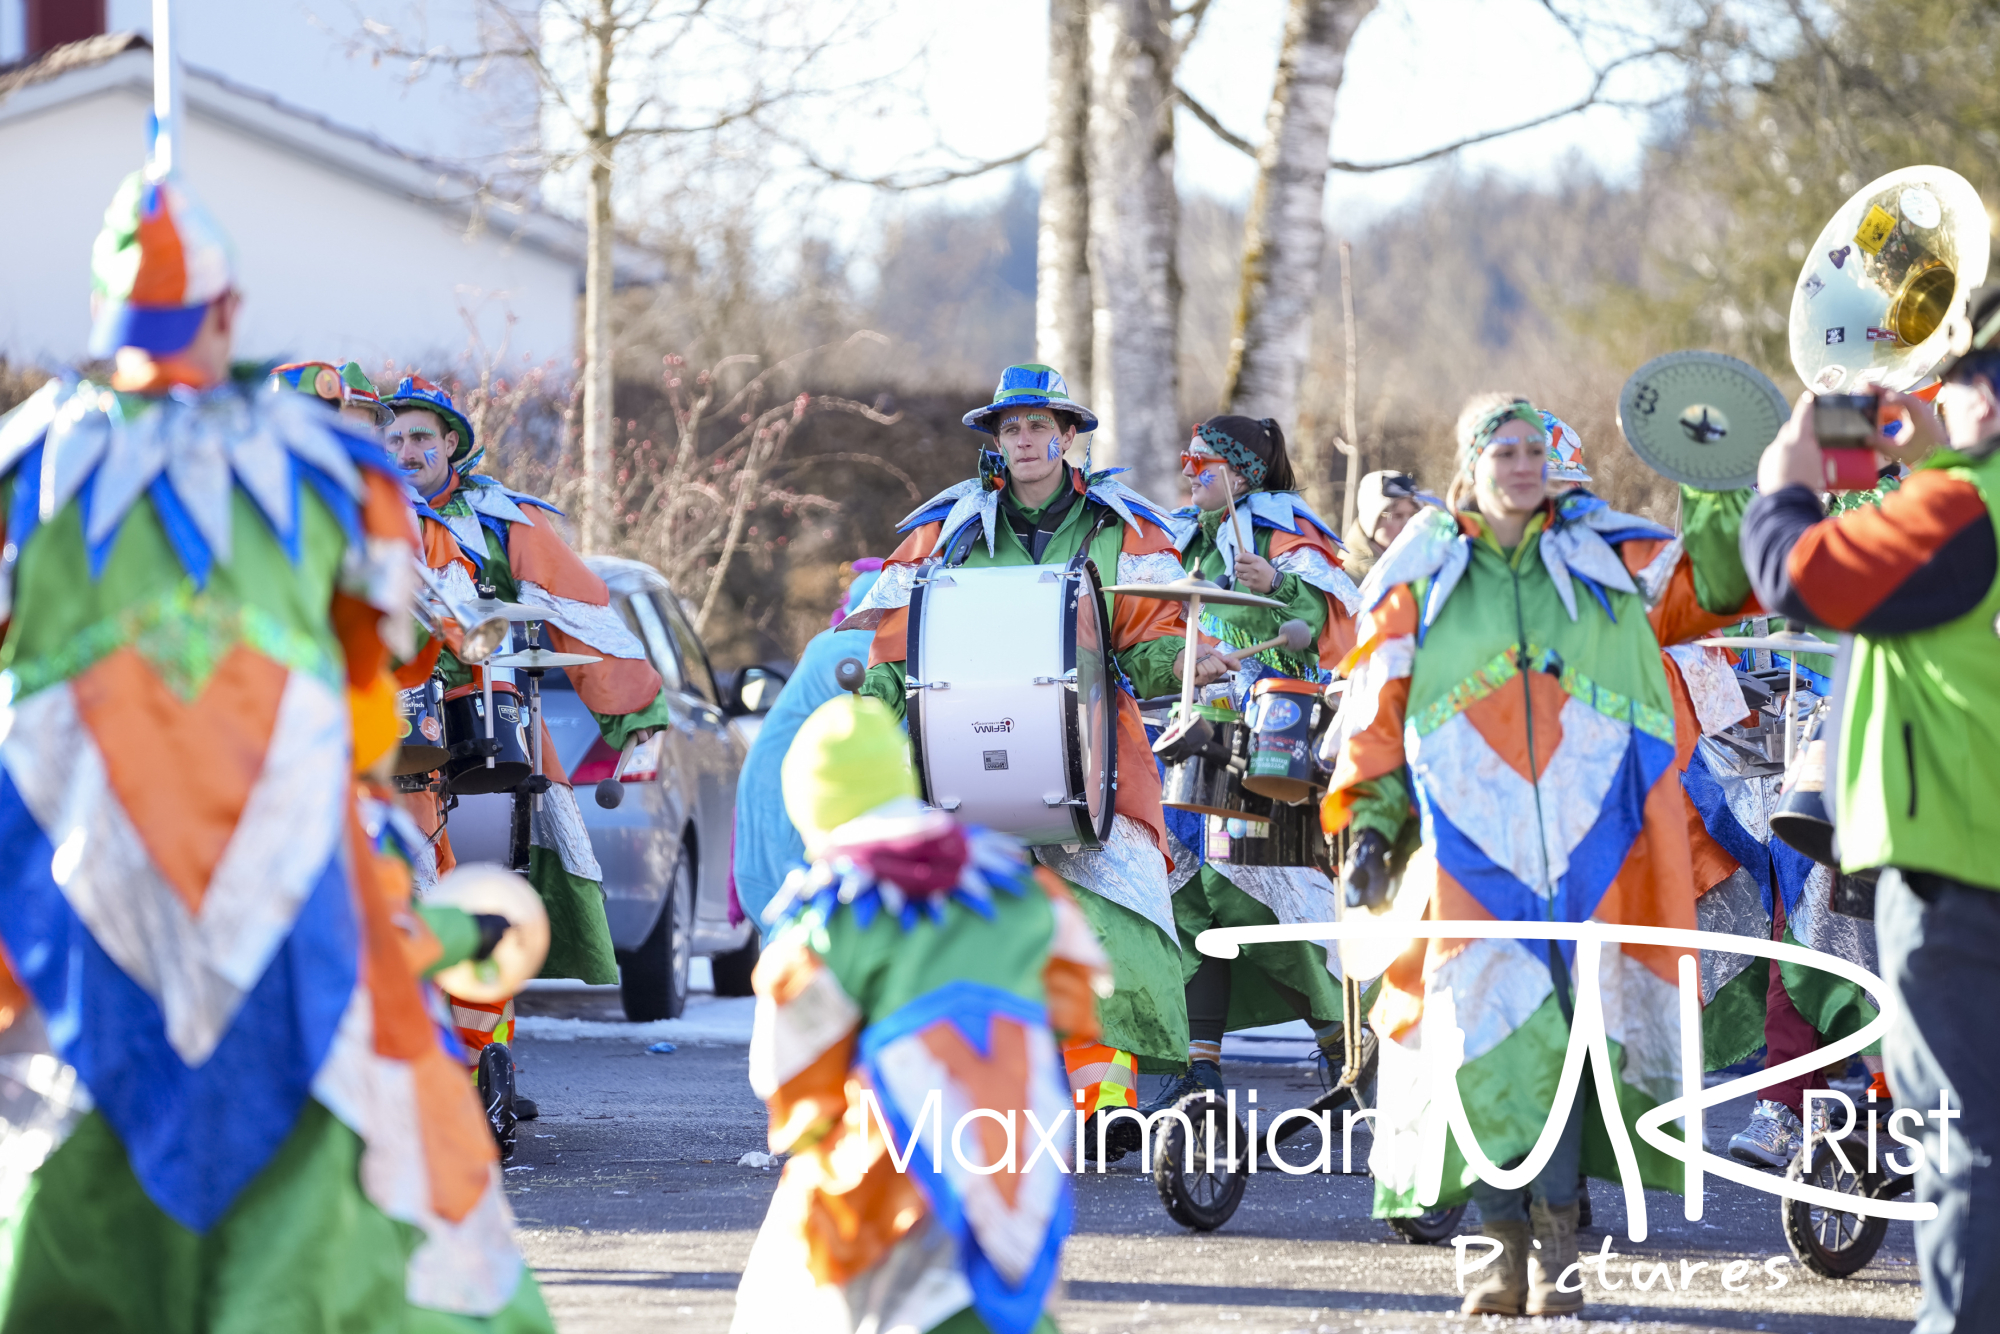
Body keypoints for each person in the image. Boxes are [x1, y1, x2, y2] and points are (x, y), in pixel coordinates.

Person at [0, 169, 551, 1330]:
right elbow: (376, 694)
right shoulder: (336, 475)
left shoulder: (23, 468)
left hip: (69, 925)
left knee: (66, 1192)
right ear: (231, 312)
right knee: (329, 1210)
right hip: (289, 916)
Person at [1322, 392, 1753, 1318]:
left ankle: (1557, 1244)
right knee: (1484, 1045)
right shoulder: (1423, 578)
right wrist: (1367, 823)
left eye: (1537, 451)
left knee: (1569, 1054)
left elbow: (1715, 588)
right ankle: (1494, 1247)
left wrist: (1713, 480)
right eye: (1503, 450)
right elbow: (1379, 715)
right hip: (1471, 861)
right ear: (1469, 468)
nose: (1522, 464)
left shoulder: (1611, 556)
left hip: (1601, 858)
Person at [843, 364, 1228, 1139]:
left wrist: (1193, 660)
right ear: (996, 439)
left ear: (1067, 436)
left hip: (1093, 755)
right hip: (959, 754)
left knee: (1109, 924)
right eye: (1010, 427)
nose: (1024, 439)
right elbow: (894, 649)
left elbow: (1151, 642)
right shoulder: (946, 531)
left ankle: (1105, 1104)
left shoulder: (1120, 528)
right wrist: (872, 722)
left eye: (1039, 426)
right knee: (960, 926)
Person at [1739, 285, 2000, 1334]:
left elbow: (1798, 573)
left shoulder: (1961, 507)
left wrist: (1783, 484)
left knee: (1960, 1135)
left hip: (1953, 858)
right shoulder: (1956, 496)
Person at [731, 694, 1107, 1334]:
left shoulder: (828, 911)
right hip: (1016, 1156)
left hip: (888, 1180)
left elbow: (789, 1074)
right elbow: (1075, 1005)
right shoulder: (1019, 884)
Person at [385, 375, 673, 1133]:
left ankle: (485, 1064)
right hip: (376, 724)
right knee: (422, 890)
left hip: (481, 720)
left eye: (421, 436)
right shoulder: (353, 508)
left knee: (497, 886)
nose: (406, 451)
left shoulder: (500, 520)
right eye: (394, 438)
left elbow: (582, 606)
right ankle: (444, 1066)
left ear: (452, 443)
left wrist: (632, 708)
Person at [1149, 415, 1362, 1106]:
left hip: (1275, 742)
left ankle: (1348, 1048)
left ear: (1240, 475)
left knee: (1256, 901)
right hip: (1197, 739)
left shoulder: (1290, 539)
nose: (1187, 471)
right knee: (1189, 902)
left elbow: (1341, 632)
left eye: (1200, 461)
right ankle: (1200, 1067)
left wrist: (1278, 585)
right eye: (1187, 458)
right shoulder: (1185, 542)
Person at [732, 558, 885, 927]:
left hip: (779, 783)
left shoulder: (832, 642)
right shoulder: (853, 649)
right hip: (792, 791)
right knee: (796, 913)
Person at [1341, 470, 1423, 580]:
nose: (1408, 525)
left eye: (1413, 514)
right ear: (1371, 521)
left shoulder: (1422, 565)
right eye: (1397, 516)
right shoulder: (1348, 578)